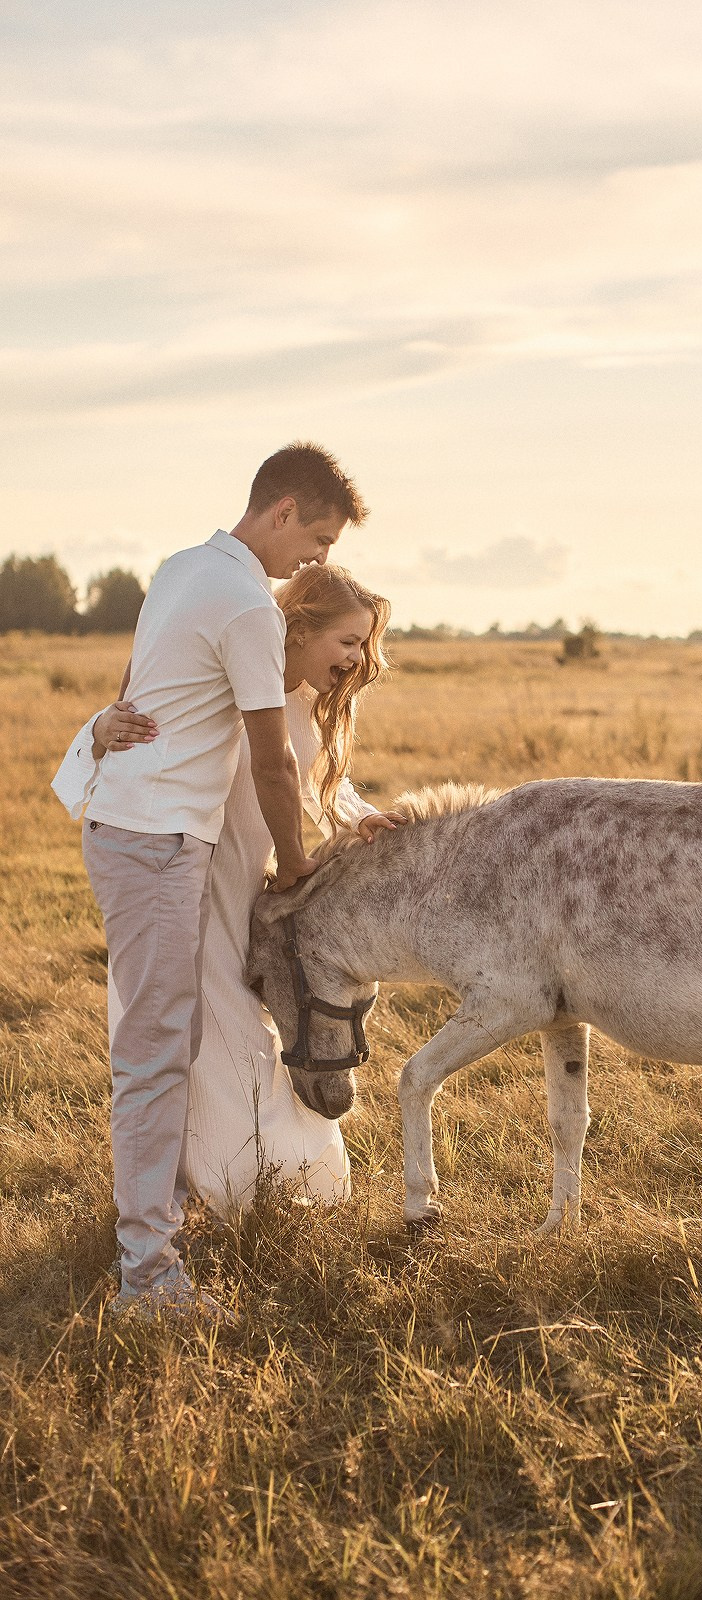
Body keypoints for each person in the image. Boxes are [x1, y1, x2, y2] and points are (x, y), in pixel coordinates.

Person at [51, 441, 367, 1323]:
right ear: (280, 511)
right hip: (155, 844)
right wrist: (300, 865)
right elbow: (270, 761)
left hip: (138, 832)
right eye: (317, 538)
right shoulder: (246, 605)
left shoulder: (181, 569)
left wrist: (108, 723)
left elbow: (134, 687)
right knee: (153, 1058)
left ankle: (166, 1217)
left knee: (165, 1043)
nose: (319, 559)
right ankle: (148, 1280)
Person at [87, 565, 400, 1222]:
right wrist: (100, 728)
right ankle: (235, 1183)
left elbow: (318, 786)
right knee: (204, 1033)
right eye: (346, 640)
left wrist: (358, 814)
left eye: (363, 646)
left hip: (245, 897)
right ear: (300, 626)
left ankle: (253, 1176)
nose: (356, 659)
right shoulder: (224, 686)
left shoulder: (301, 708)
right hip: (185, 886)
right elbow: (153, 734)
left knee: (245, 1028)